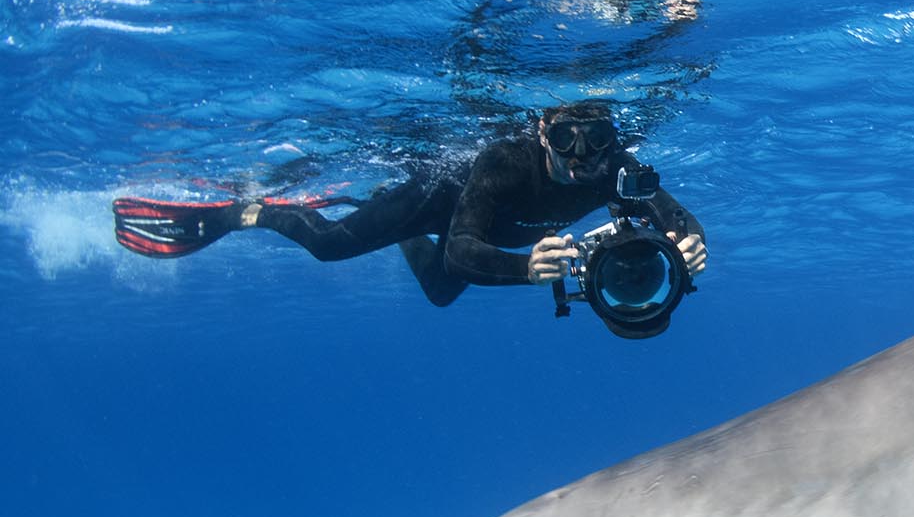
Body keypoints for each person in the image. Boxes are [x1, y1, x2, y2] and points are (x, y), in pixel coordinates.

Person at [113, 102, 707, 308]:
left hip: (493, 237)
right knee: (327, 247)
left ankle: (388, 229)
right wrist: (523, 268)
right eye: (564, 141)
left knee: (441, 294)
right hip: (434, 203)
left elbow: (678, 222)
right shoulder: (504, 160)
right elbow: (460, 249)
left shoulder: (618, 169)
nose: (583, 159)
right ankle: (244, 211)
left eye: (598, 141)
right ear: (541, 130)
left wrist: (690, 245)